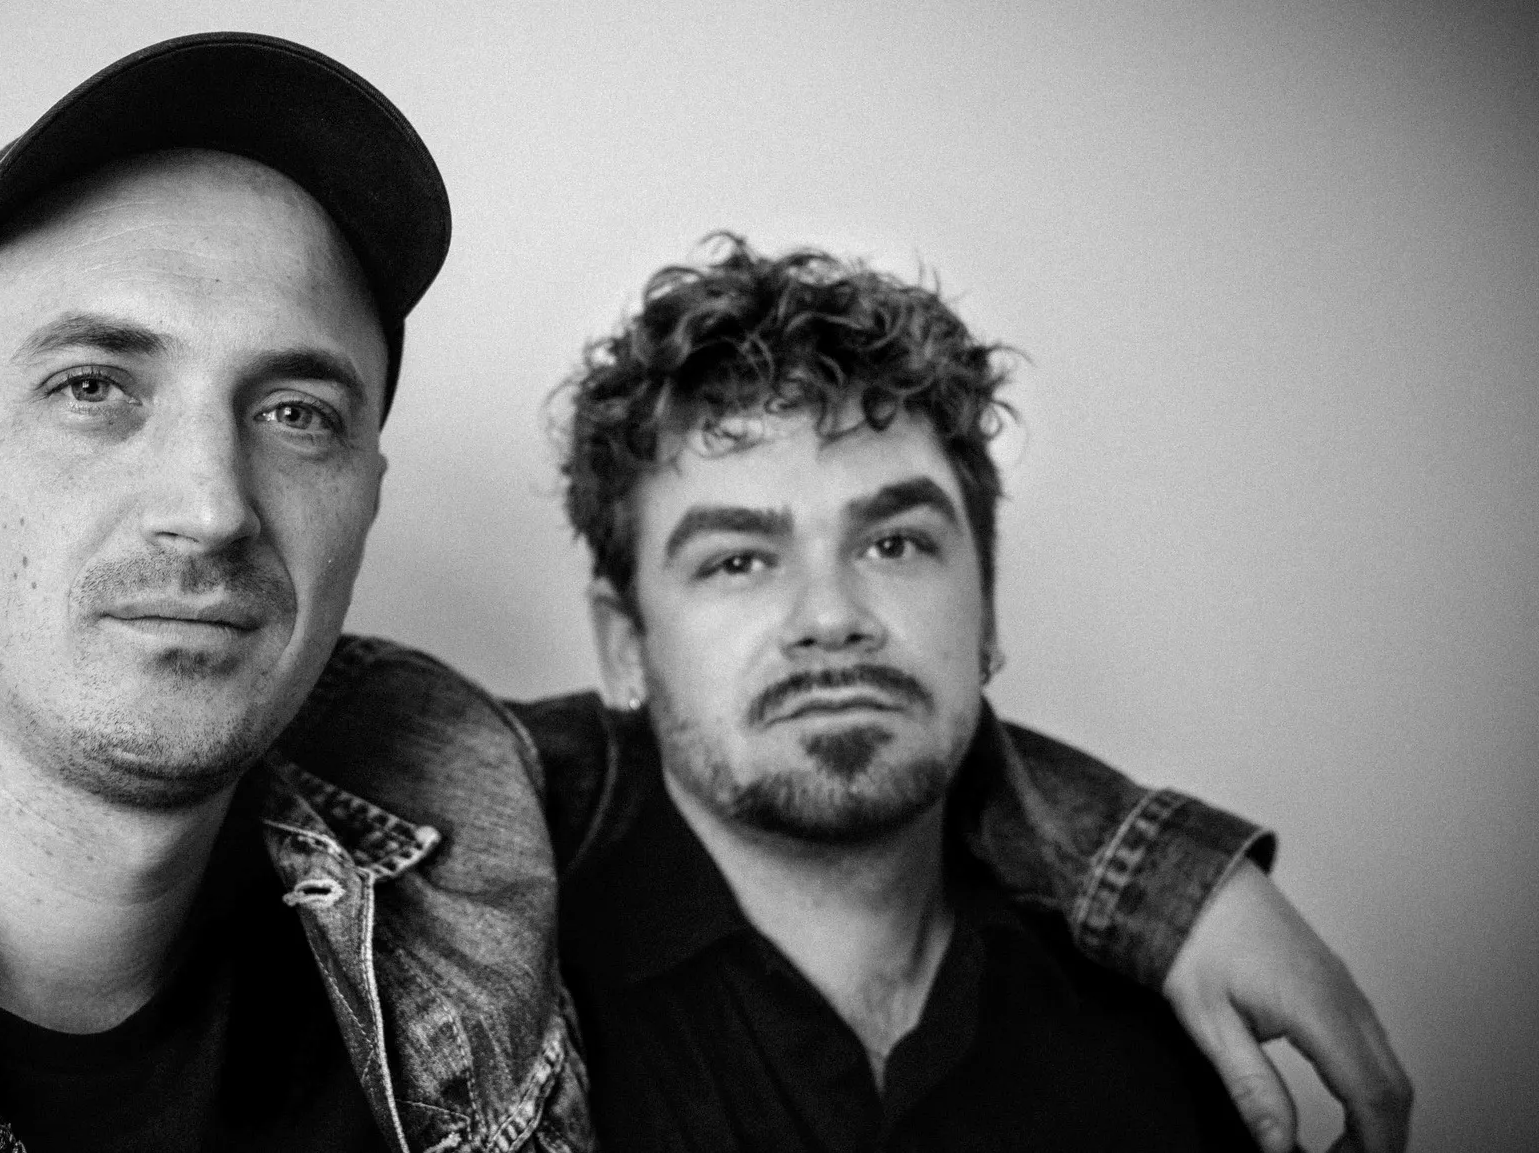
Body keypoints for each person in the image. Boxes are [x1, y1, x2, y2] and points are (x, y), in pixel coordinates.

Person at [0, 32, 1405, 1153]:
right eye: (91, 386)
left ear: (367, 493)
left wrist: (1153, 873)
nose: (206, 504)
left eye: (294, 409)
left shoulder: (436, 801)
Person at [519, 236, 1410, 1151]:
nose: (831, 617)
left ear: (986, 611)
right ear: (625, 647)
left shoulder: (1172, 1025)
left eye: (894, 544)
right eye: (738, 561)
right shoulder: (496, 1007)